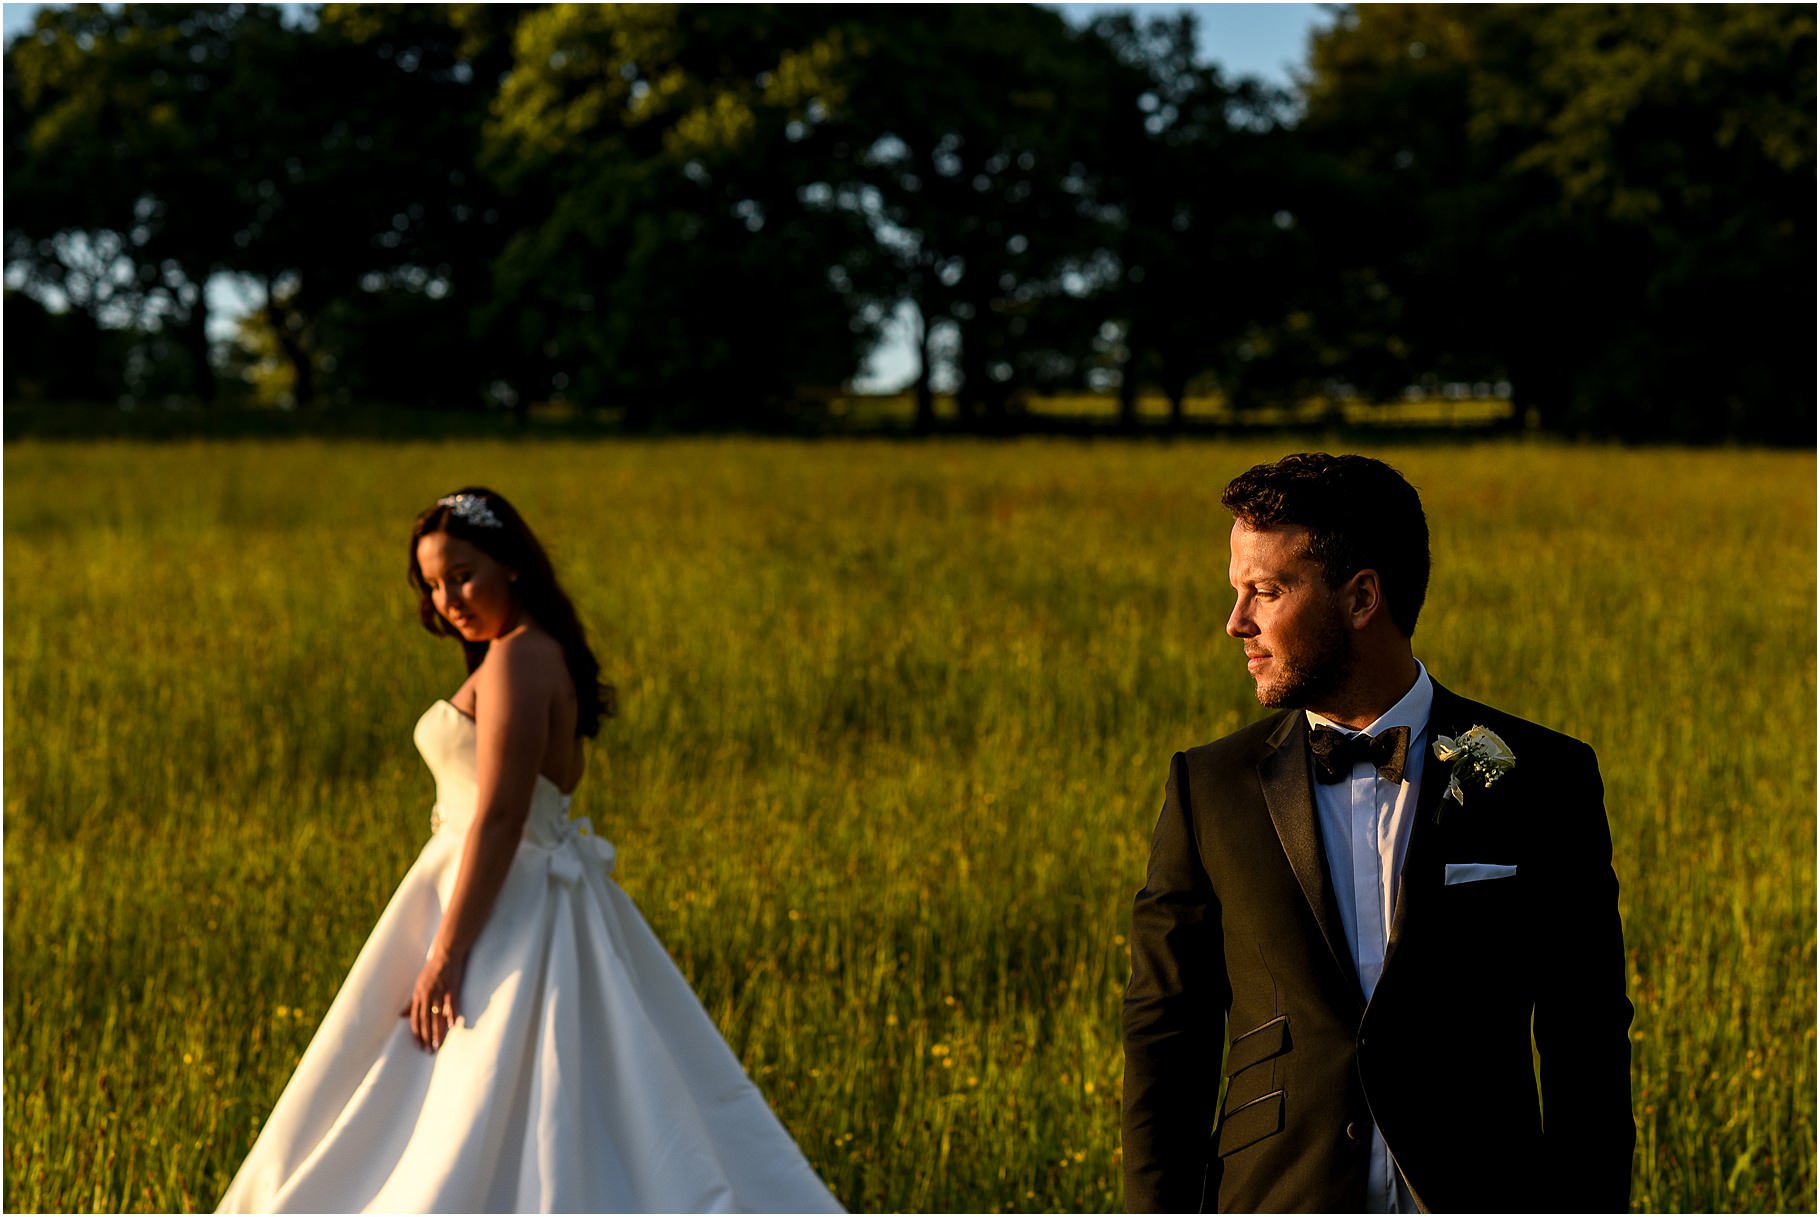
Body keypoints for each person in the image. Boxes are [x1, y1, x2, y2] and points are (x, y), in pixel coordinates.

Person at [218, 487, 843, 1213]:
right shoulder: (536, 653)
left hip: (500, 904)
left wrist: (447, 954)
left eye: (462, 573)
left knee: (469, 1091)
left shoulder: (517, 659)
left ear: (511, 564)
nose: (447, 596)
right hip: (517, 893)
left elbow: (504, 813)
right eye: (431, 582)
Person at [1120, 454, 1634, 1213]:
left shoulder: (1542, 776)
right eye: (1238, 592)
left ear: (1362, 596)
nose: (1237, 621)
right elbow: (1168, 1035)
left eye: (1266, 590)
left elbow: (1586, 1037)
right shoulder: (1210, 789)